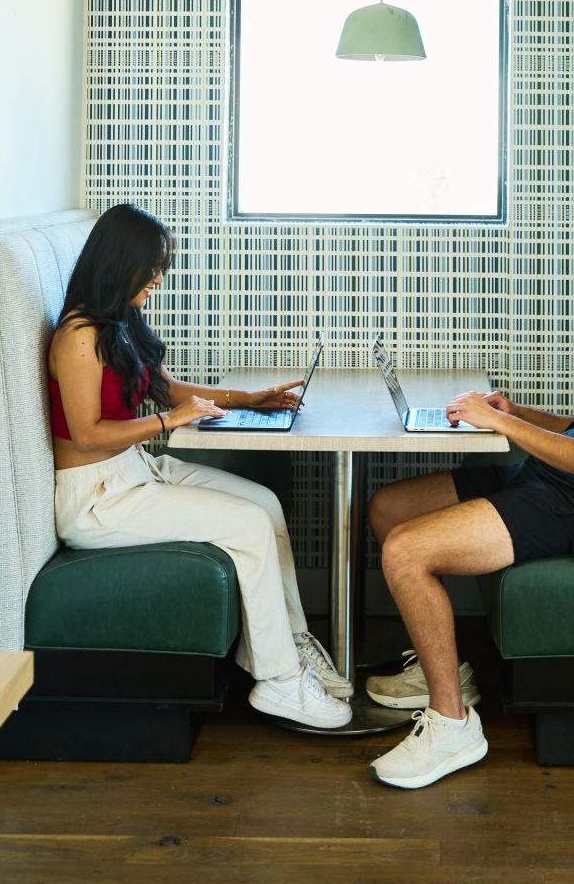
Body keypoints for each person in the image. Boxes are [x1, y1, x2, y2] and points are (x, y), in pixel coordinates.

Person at [364, 182, 574, 788]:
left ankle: (453, 724)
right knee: (390, 508)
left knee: (406, 550)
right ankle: (448, 668)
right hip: (548, 483)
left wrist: (498, 424)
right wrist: (516, 412)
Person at [48, 202, 352, 730]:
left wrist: (246, 399)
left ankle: (291, 650)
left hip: (133, 471)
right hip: (95, 498)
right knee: (249, 525)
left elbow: (163, 387)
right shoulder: (77, 336)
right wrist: (169, 422)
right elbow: (88, 434)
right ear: (119, 263)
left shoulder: (117, 320)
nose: (158, 281)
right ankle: (279, 683)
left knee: (265, 504)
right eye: (152, 269)